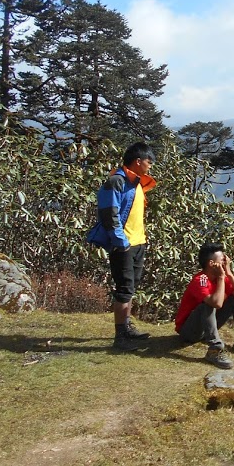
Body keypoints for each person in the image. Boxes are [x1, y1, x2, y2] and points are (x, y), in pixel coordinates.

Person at [87, 142, 157, 351]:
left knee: (131, 288)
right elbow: (109, 214)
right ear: (138, 161)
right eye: (148, 162)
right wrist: (121, 243)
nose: (150, 166)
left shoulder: (135, 182)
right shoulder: (117, 181)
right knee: (124, 290)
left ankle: (126, 329)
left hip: (138, 242)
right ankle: (120, 337)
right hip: (124, 245)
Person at [174, 242, 234, 368]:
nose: (225, 262)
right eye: (222, 260)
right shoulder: (201, 280)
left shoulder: (223, 278)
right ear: (212, 264)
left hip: (207, 327)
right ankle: (214, 350)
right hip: (190, 332)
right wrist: (222, 277)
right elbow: (216, 303)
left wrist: (229, 274)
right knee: (208, 304)